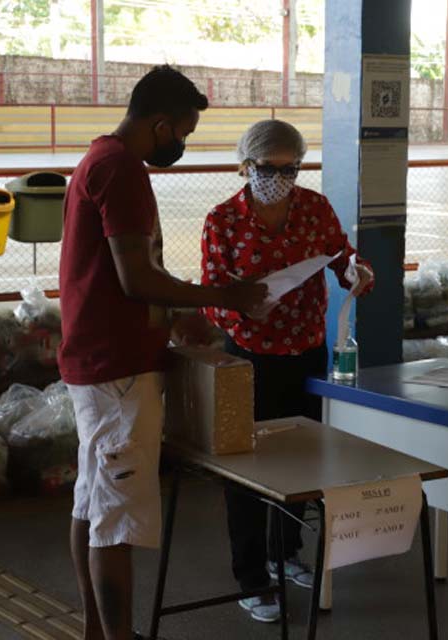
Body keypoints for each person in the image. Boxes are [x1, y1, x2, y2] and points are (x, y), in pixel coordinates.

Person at [59, 65, 267, 640]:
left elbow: (137, 270)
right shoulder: (120, 170)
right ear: (159, 124)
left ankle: (98, 631)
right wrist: (224, 296)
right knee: (116, 519)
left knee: (94, 502)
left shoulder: (102, 160)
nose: (182, 143)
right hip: (117, 370)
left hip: (103, 361)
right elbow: (135, 280)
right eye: (183, 133)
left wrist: (181, 311)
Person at [200, 119, 374, 623]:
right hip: (248, 356)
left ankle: (286, 551)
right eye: (267, 167)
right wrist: (238, 309)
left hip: (306, 351)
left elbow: (342, 254)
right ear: (245, 165)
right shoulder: (223, 221)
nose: (279, 176)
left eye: (289, 167)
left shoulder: (314, 209)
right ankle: (251, 574)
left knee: (302, 458)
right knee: (249, 467)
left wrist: (356, 272)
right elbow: (211, 294)